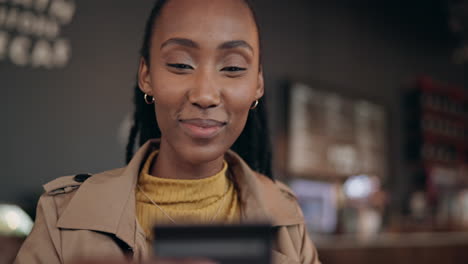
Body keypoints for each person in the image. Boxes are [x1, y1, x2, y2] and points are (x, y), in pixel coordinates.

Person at [14, 0, 321, 263]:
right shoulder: (62, 215)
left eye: (233, 68)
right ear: (146, 76)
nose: (205, 94)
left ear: (257, 84)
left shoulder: (286, 216)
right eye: (180, 64)